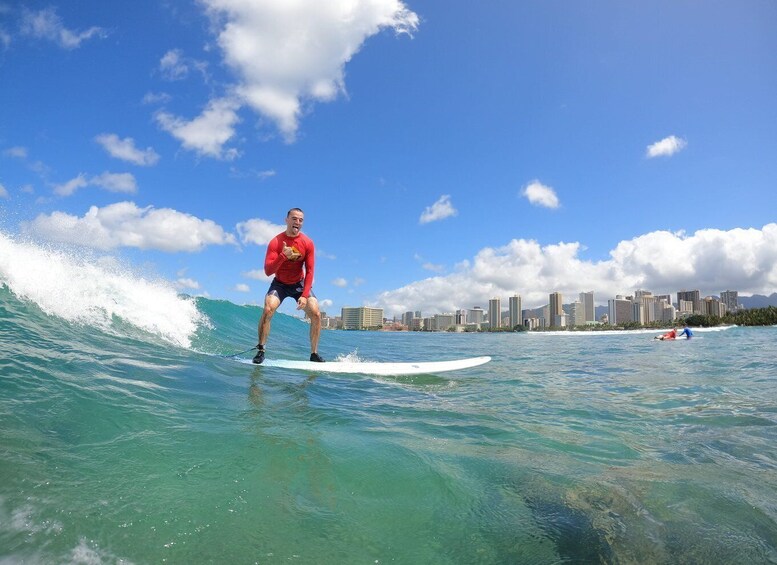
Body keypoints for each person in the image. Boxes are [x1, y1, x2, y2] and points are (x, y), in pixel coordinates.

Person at [253, 208, 324, 364]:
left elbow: (310, 271)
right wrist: (283, 256)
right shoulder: (276, 242)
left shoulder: (307, 243)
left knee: (316, 313)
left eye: (300, 220)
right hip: (280, 284)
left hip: (299, 284)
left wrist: (305, 295)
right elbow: (268, 271)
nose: (297, 222)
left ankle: (314, 353)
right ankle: (261, 350)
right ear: (287, 220)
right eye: (294, 218)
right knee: (267, 309)